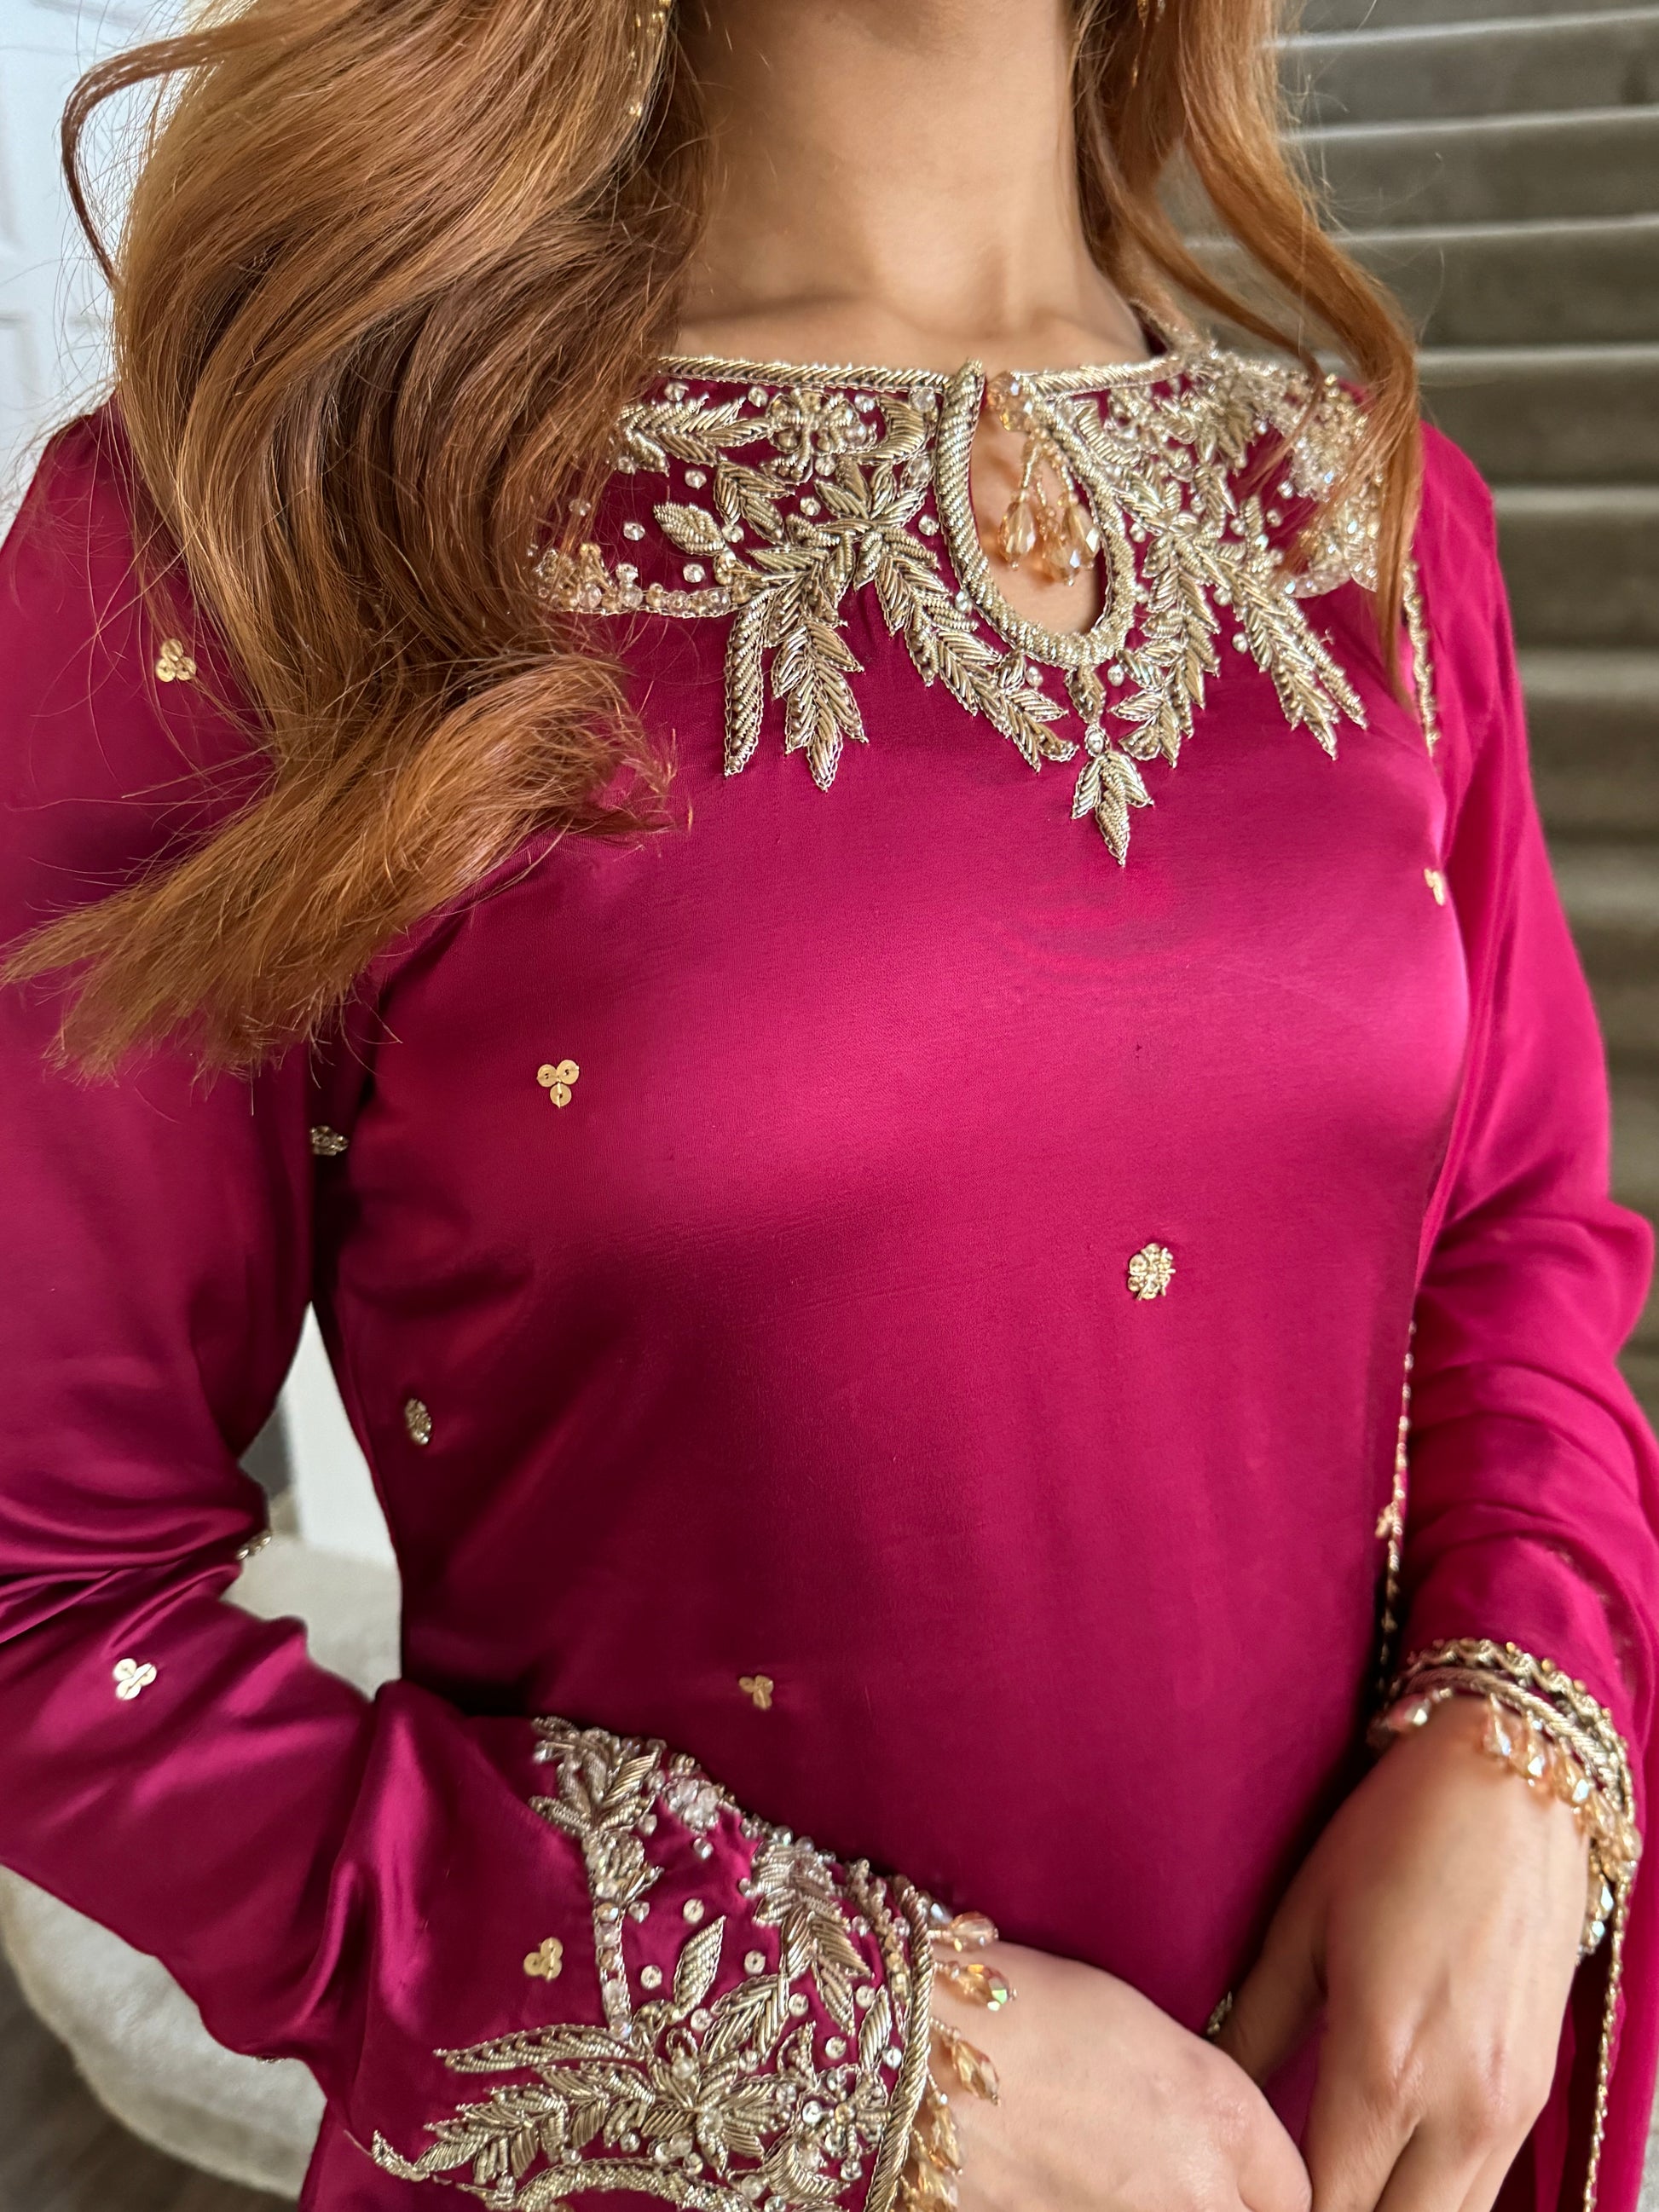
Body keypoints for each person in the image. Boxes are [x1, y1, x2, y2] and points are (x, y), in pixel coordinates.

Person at [1, 3, 1653, 2211]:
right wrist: (858, 2056)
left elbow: (1512, 1242)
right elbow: (42, 1581)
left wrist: (1512, 1742)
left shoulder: (1374, 520)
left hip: (1365, 2127)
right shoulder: (274, 535)